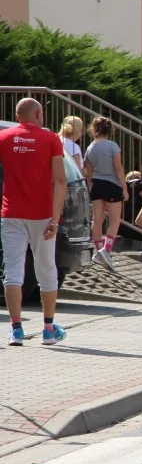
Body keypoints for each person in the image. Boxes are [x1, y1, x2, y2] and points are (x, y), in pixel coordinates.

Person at [0, 98, 68, 346]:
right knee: (46, 270)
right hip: (42, 214)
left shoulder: (4, 138)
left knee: (13, 272)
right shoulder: (51, 139)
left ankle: (16, 329)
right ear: (38, 114)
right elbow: (60, 181)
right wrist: (55, 218)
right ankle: (49, 329)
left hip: (11, 214)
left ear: (18, 116)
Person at [84, 117, 128, 271]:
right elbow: (118, 169)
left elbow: (88, 173)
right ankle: (106, 251)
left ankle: (98, 250)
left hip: (96, 184)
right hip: (112, 185)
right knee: (115, 220)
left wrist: (90, 187)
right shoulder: (112, 146)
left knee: (97, 220)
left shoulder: (90, 147)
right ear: (110, 130)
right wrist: (124, 188)